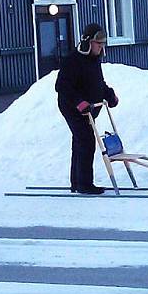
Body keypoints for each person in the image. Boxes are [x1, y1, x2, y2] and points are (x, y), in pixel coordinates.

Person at [55, 23, 118, 195]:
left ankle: (77, 182)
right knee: (86, 141)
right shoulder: (72, 61)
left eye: (103, 44)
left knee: (80, 141)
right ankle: (84, 184)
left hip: (89, 109)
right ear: (88, 42)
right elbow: (62, 87)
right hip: (71, 107)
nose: (101, 47)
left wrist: (110, 95)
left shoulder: (94, 61)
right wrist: (79, 102)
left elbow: (98, 84)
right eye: (98, 44)